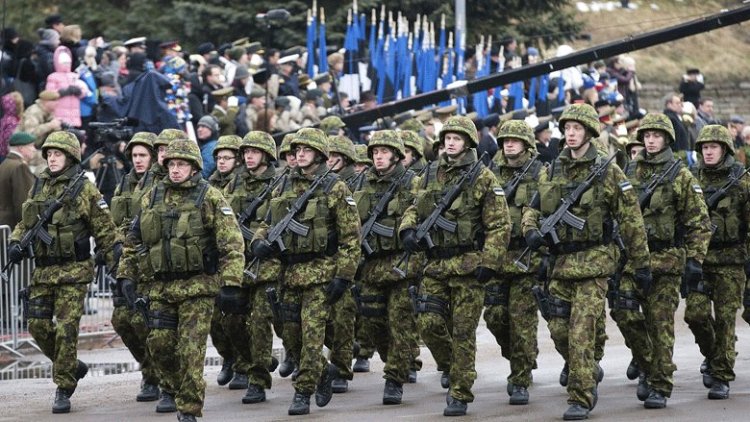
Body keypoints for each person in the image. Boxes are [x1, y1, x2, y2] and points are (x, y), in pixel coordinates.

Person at [522, 103, 650, 420]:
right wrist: (530, 231)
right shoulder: (551, 170)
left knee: (581, 332)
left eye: (577, 129)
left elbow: (631, 220)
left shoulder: (609, 172)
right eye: (567, 128)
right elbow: (532, 209)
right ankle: (587, 370)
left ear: (590, 132)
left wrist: (641, 264)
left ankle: (580, 396)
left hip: (595, 264)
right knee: (558, 330)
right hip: (560, 264)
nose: (571, 133)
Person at [117, 139, 245, 422]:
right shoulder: (151, 196)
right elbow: (133, 240)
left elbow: (232, 243)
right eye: (171, 164)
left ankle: (188, 410)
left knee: (190, 350)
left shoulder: (209, 197)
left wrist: (230, 282)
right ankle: (176, 390)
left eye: (181, 164)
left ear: (194, 167)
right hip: (162, 288)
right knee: (159, 344)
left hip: (198, 287)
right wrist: (126, 275)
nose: (175, 170)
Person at [399, 115, 511, 416]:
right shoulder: (429, 173)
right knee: (428, 323)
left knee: (463, 332)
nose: (450, 142)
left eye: (456, 138)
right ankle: (451, 366)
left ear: (468, 143)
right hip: (435, 265)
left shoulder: (483, 178)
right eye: (447, 137)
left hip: (468, 267)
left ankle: (460, 391)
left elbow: (500, 226)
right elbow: (413, 205)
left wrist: (490, 262)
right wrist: (407, 229)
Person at [251, 127, 361, 416]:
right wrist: (258, 242)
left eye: (306, 150)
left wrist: (343, 276)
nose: (299, 155)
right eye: (297, 150)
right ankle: (323, 372)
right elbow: (266, 221)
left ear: (320, 155)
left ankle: (303, 391)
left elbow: (351, 238)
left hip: (321, 273)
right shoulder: (283, 184)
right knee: (292, 338)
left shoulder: (334, 187)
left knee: (313, 337)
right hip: (288, 273)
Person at [8, 131, 119, 414]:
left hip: (74, 270)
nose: (52, 158)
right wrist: (15, 243)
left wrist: (116, 263)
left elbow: (105, 229)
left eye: (57, 154)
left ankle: (63, 386)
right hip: (44, 271)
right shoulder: (39, 185)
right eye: (49, 154)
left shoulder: (84, 189)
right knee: (37, 325)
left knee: (67, 329)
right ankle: (71, 364)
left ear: (70, 157)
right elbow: (25, 221)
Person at [622, 112, 711, 409]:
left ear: (667, 139)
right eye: (646, 135)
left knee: (659, 324)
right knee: (625, 314)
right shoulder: (630, 171)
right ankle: (649, 366)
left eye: (656, 135)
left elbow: (699, 221)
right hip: (633, 259)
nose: (650, 140)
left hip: (666, 260)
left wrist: (695, 259)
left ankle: (660, 384)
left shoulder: (680, 175)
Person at [352, 130, 420, 405]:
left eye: (384, 152)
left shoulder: (412, 183)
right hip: (371, 266)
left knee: (401, 323)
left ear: (396, 154)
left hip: (401, 265)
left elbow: (419, 213)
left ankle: (394, 379)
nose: (379, 157)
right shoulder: (362, 184)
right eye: (375, 152)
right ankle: (394, 360)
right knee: (373, 323)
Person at [685, 125, 750, 400]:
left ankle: (721, 376)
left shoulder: (742, 181)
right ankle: (713, 355)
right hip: (699, 260)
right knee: (695, 315)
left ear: (724, 149)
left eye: (713, 147)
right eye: (704, 147)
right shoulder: (690, 179)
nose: (708, 152)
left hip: (731, 261)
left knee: (724, 320)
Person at [219, 131, 282, 404]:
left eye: (254, 152)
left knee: (259, 323)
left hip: (266, 264)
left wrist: (266, 241)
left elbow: (283, 220)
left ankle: (258, 380)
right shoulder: (234, 183)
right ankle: (249, 362)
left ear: (266, 155)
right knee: (230, 321)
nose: (248, 156)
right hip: (237, 263)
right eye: (246, 152)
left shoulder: (279, 183)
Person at [485, 120, 544, 405]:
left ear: (526, 144)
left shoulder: (540, 173)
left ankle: (520, 377)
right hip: (496, 257)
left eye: (515, 140)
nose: (509, 144)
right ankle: (523, 355)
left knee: (521, 320)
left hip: (524, 259)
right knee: (495, 317)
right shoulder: (487, 174)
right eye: (505, 139)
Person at [108, 131, 161, 402]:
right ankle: (151, 369)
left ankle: (155, 376)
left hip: (150, 263)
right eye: (135, 155)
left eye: (143, 155)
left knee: (144, 321)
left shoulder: (161, 184)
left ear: (153, 157)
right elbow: (114, 223)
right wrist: (111, 248)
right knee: (121, 320)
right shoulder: (124, 185)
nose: (138, 160)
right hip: (125, 262)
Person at [323, 134, 360, 391]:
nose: (330, 162)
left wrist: (346, 270)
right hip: (318, 260)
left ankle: (342, 367)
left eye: (335, 157)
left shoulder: (355, 185)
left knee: (343, 316)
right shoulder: (320, 183)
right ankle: (341, 349)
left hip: (346, 257)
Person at [0, 132, 37, 230]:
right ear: (21, 148)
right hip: (13, 226)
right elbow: (23, 202)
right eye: (31, 146)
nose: (34, 150)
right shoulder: (20, 166)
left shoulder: (5, 164)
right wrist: (28, 226)